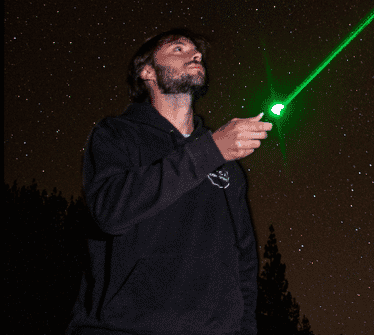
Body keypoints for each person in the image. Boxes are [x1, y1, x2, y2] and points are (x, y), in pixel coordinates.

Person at [67, 28, 271, 335]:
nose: (196, 55)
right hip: (124, 328)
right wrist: (209, 151)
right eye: (178, 49)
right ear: (147, 71)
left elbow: (243, 255)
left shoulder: (225, 157)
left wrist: (245, 329)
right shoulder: (117, 134)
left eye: (197, 52)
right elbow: (111, 212)